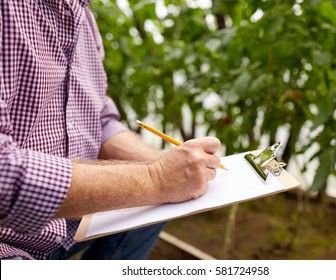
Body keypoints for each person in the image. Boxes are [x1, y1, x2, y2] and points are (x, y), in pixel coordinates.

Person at [0, 0, 221, 260]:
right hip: (9, 243)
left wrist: (165, 166)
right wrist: (157, 179)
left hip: (73, 224)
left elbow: (100, 120)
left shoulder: (83, 16)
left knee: (160, 206)